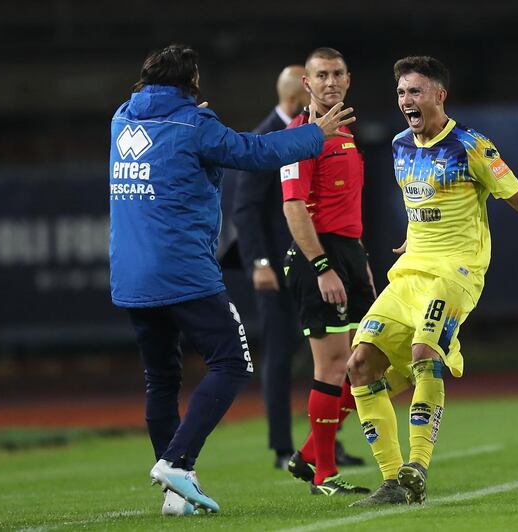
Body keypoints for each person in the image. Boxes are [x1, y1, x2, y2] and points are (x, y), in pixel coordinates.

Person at [347, 56, 518, 506]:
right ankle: (394, 482)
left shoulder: (472, 147)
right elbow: (422, 207)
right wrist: (411, 238)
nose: (406, 101)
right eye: (400, 93)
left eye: (415, 91)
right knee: (359, 364)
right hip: (411, 272)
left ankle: (417, 469)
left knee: (424, 353)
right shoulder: (398, 145)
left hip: (457, 271)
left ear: (439, 95)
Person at [108, 43, 355, 515]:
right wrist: (315, 134)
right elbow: (254, 151)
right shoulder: (195, 126)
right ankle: (178, 462)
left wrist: (191, 114)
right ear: (191, 80)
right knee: (233, 362)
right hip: (182, 270)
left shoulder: (123, 119)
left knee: (160, 378)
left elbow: (172, 132)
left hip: (131, 273)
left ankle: (175, 493)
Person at [231, 66, 365, 471]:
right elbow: (245, 207)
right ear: (296, 96)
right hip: (281, 263)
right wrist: (258, 262)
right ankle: (281, 446)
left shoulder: (330, 131)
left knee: (337, 358)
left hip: (320, 255)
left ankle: (319, 448)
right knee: (282, 353)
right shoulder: (274, 134)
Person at [280, 47, 374, 496]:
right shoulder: (302, 137)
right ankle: (323, 475)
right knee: (334, 365)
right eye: (322, 75)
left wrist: (360, 263)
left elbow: (346, 209)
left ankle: (308, 455)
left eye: (338, 73)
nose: (331, 81)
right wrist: (321, 267)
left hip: (350, 257)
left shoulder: (346, 134)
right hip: (318, 259)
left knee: (367, 362)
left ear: (348, 79)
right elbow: (294, 208)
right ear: (307, 84)